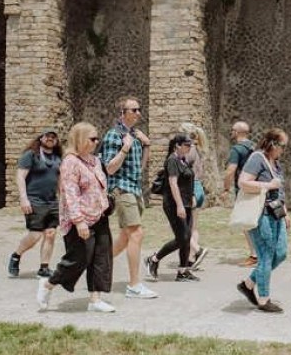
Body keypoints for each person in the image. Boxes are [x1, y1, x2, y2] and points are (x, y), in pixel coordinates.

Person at [36, 123, 116, 313]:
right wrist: (79, 221)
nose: (96, 143)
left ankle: (95, 300)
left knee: (101, 258)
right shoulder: (70, 162)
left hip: (100, 216)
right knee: (78, 258)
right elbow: (70, 194)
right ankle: (48, 284)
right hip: (80, 219)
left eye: (97, 139)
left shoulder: (95, 161)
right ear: (79, 139)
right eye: (92, 139)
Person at [100, 97, 157, 299]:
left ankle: (96, 264)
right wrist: (124, 148)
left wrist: (147, 145)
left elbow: (140, 168)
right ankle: (134, 285)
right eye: (134, 110)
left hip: (135, 189)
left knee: (125, 237)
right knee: (136, 233)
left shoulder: (134, 135)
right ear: (122, 113)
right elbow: (109, 167)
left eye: (139, 109)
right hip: (121, 190)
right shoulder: (113, 136)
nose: (139, 113)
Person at [235, 128, 291, 313]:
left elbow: (280, 191)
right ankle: (264, 299)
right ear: (273, 144)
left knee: (281, 253)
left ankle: (248, 283)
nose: (284, 149)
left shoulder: (275, 163)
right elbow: (243, 182)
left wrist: (286, 212)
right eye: (282, 146)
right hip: (262, 214)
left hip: (276, 213)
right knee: (266, 255)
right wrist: (267, 185)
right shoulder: (257, 158)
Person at [146, 134, 201, 282]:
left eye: (190, 145)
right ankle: (154, 259)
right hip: (174, 204)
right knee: (181, 238)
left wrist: (193, 196)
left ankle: (183, 272)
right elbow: (173, 184)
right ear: (177, 145)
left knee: (187, 237)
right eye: (186, 145)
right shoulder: (172, 160)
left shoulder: (183, 160)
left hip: (187, 203)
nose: (189, 148)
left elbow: (188, 181)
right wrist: (179, 205)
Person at [8, 129, 62, 277]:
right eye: (47, 136)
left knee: (50, 234)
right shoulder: (31, 155)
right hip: (34, 200)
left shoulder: (58, 158)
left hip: (52, 201)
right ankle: (16, 255)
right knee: (35, 235)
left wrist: (63, 199)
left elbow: (59, 181)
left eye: (53, 137)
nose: (50, 139)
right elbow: (20, 177)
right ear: (41, 138)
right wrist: (24, 198)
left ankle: (44, 268)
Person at [223, 121, 257, 267]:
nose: (231, 133)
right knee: (255, 221)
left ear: (237, 132)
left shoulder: (237, 149)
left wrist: (225, 189)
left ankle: (254, 255)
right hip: (256, 187)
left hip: (243, 188)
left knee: (246, 222)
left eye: (232, 130)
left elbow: (231, 170)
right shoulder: (255, 147)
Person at [180, 122, 209, 269]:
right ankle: (191, 259)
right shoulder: (198, 149)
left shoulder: (188, 151)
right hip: (199, 188)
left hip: (191, 189)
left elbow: (184, 173)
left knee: (182, 227)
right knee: (194, 227)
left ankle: (197, 250)